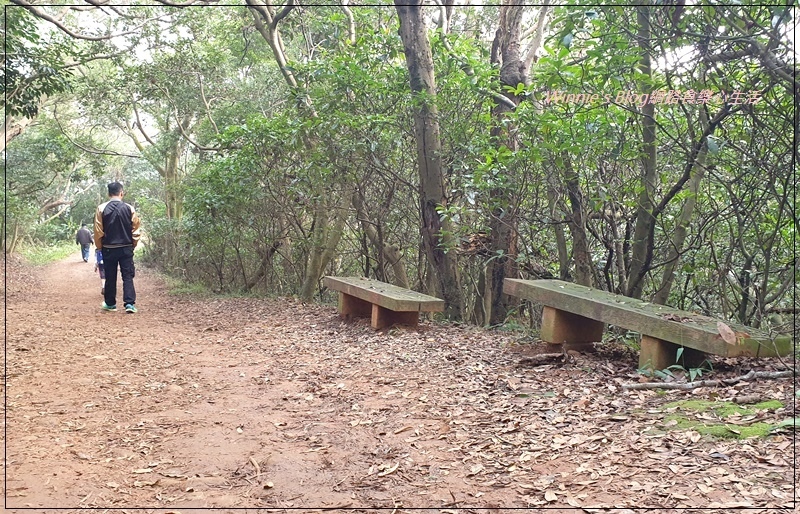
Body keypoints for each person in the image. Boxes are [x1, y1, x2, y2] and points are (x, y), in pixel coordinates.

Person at [94, 181, 141, 313]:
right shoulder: (129, 208)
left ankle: (110, 304)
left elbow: (98, 230)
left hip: (108, 247)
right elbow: (136, 229)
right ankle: (129, 304)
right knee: (127, 275)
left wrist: (99, 246)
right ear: (122, 193)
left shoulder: (101, 208)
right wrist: (133, 244)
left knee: (110, 275)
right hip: (126, 247)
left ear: (108, 193)